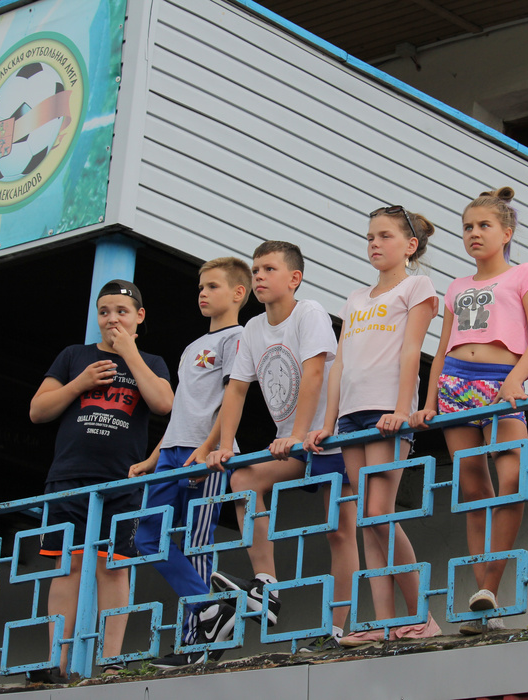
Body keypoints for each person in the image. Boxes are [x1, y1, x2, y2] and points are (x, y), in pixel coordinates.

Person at [199, 241, 357, 648]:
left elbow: (315, 374)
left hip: (330, 438)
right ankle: (266, 585)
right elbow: (236, 389)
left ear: (294, 278)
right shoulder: (253, 328)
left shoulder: (309, 312)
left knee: (340, 533)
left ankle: (338, 629)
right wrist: (226, 444)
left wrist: (297, 434)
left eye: (269, 269)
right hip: (295, 444)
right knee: (243, 479)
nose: (259, 277)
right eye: (255, 270)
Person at [411, 187, 528, 635]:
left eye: (484, 225)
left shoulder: (524, 274)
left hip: (500, 385)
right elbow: (441, 348)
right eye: (468, 226)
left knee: (513, 483)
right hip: (454, 386)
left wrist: (516, 379)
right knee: (473, 493)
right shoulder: (456, 286)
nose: (474, 233)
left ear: (506, 232)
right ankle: (483, 607)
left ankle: (490, 586)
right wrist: (428, 403)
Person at [305, 206, 440, 647]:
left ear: (410, 245)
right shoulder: (355, 298)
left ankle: (421, 616)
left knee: (381, 512)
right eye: (369, 237)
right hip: (351, 415)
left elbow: (411, 351)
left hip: (386, 410)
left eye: (384, 236)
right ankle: (383, 623)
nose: (375, 244)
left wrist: (402, 409)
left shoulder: (417, 286)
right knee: (367, 519)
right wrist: (327, 422)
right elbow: (340, 363)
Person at [29, 280, 174, 679]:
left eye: (121, 312)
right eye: (104, 312)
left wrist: (129, 353)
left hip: (121, 482)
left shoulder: (151, 361)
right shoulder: (74, 356)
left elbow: (164, 403)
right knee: (68, 567)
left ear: (139, 317)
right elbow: (38, 410)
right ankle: (56, 663)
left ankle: (111, 660)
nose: (112, 319)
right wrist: (80, 383)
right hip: (69, 478)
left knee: (114, 567)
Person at [128, 258, 251, 668]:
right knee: (147, 538)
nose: (202, 293)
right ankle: (210, 605)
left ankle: (194, 646)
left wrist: (209, 447)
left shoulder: (238, 338)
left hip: (206, 454)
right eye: (201, 286)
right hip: (171, 453)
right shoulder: (190, 347)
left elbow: (232, 400)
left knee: (198, 543)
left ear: (238, 293)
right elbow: (181, 409)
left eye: (213, 286)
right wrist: (153, 457)